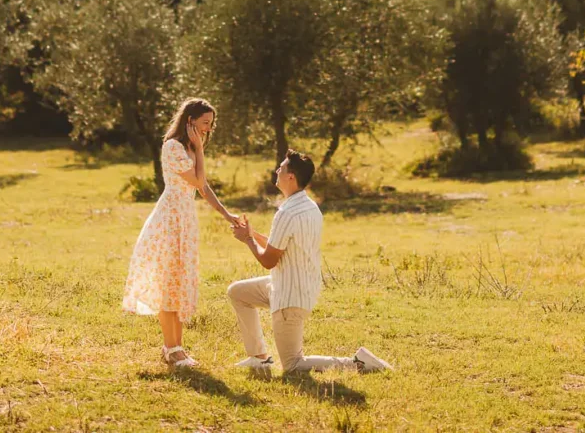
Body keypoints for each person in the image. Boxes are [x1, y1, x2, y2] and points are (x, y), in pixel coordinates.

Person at [226, 150, 394, 377]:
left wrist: (246, 239)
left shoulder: (286, 212)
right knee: (238, 292)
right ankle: (259, 358)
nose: (277, 170)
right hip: (292, 285)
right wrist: (252, 233)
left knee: (293, 365)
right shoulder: (309, 206)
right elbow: (278, 246)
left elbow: (268, 260)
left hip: (290, 296)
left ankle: (358, 362)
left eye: (281, 168)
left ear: (291, 177)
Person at [121, 98, 242, 369]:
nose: (208, 129)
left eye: (211, 124)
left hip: (185, 221)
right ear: (189, 121)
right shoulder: (174, 147)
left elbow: (203, 188)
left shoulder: (188, 148)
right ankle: (171, 348)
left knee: (178, 281)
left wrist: (226, 214)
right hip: (169, 220)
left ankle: (177, 348)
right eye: (204, 123)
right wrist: (199, 150)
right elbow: (198, 181)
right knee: (168, 282)